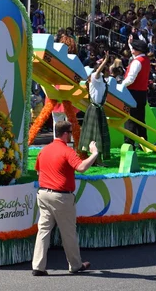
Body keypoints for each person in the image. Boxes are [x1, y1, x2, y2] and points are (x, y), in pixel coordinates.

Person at [32, 120, 97, 276]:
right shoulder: (67, 151)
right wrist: (94, 153)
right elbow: (81, 168)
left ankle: (38, 266)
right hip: (61, 197)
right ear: (66, 134)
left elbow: (38, 172)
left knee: (44, 230)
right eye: (70, 132)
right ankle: (75, 265)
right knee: (68, 232)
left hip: (43, 194)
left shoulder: (44, 150)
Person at [79, 52, 110, 165]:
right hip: (93, 109)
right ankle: (96, 159)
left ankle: (97, 159)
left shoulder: (103, 81)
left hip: (99, 109)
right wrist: (105, 61)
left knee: (99, 135)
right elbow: (97, 72)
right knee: (95, 136)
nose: (109, 72)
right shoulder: (95, 78)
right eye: (107, 70)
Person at [121, 36, 150, 146]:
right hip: (142, 94)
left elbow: (130, 79)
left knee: (130, 119)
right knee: (140, 119)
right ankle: (144, 143)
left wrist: (120, 86)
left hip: (132, 93)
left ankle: (129, 143)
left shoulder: (137, 62)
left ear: (137, 50)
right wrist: (130, 44)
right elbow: (135, 55)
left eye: (133, 48)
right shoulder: (145, 59)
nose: (131, 50)